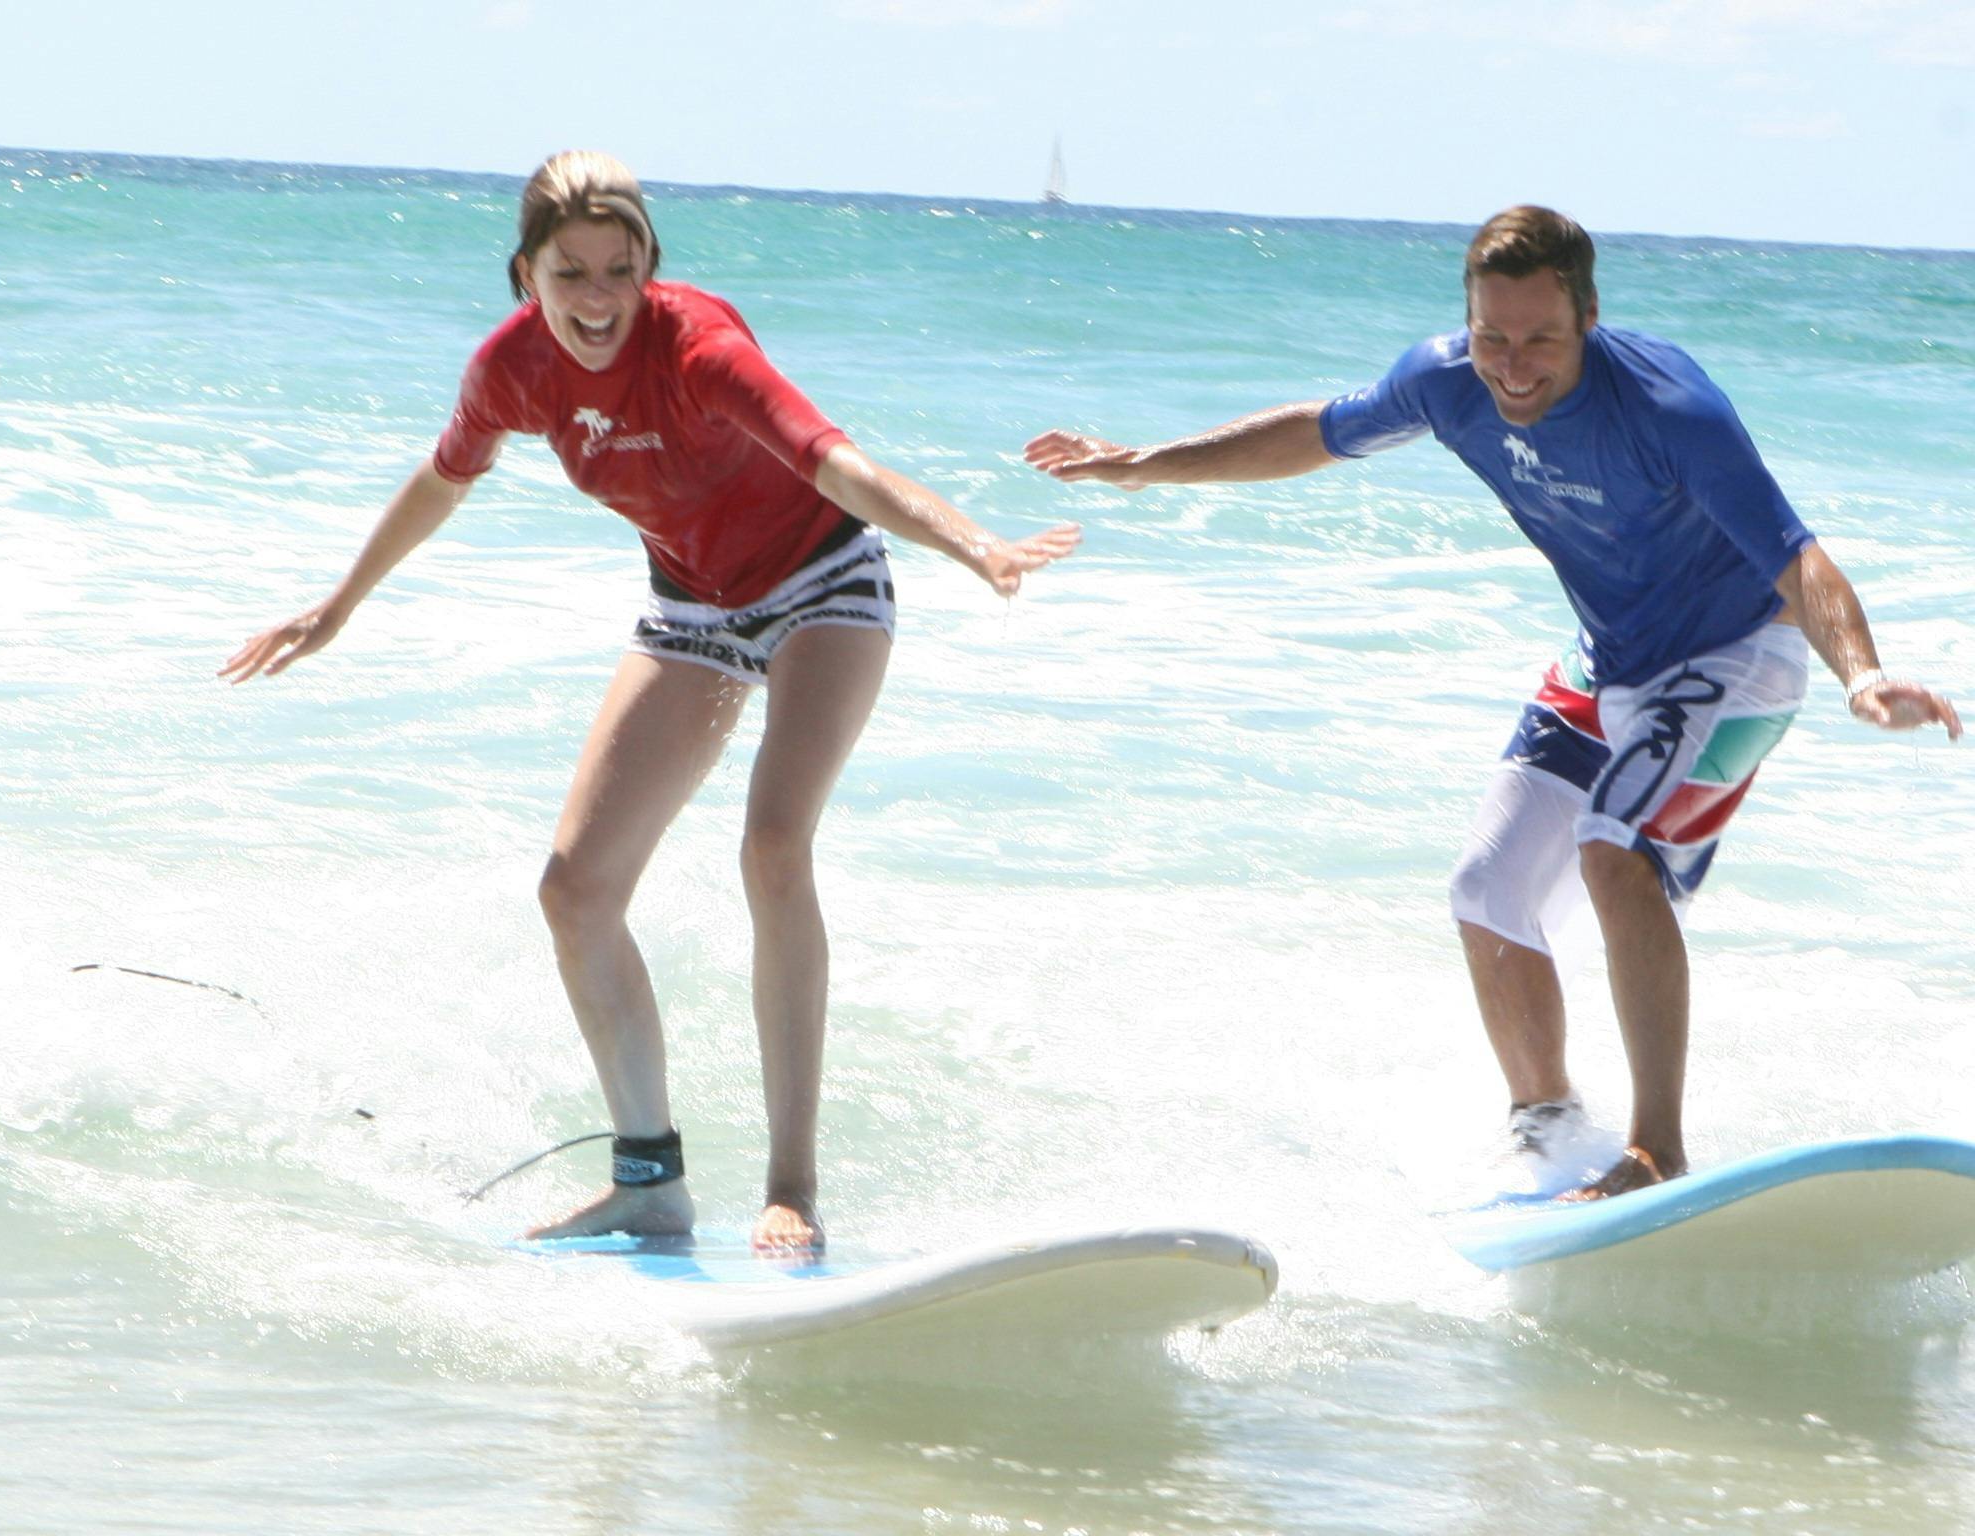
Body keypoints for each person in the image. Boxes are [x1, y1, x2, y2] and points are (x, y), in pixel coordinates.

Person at [225, 151, 1079, 1249]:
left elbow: (836, 465)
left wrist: (974, 544)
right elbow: (444, 479)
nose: (594, 298)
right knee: (575, 890)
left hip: (823, 583)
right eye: (568, 271)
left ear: (648, 272)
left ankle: (792, 1190)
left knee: (773, 845)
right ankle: (649, 1183)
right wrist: (339, 605)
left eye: (618, 271)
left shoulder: (698, 350)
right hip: (690, 610)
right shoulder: (511, 369)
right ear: (524, 271)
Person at [1025, 204, 1959, 1200]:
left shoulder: (1667, 408)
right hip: (1610, 659)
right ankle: (1548, 1132)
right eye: (1490, 337)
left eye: (1539, 341)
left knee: (1611, 844)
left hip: (1736, 654)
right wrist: (1145, 464)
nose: (1511, 366)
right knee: (1484, 887)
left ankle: (1653, 1151)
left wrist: (1860, 675)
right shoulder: (1442, 381)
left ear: (1588, 319)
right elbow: (1314, 432)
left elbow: (1794, 555)